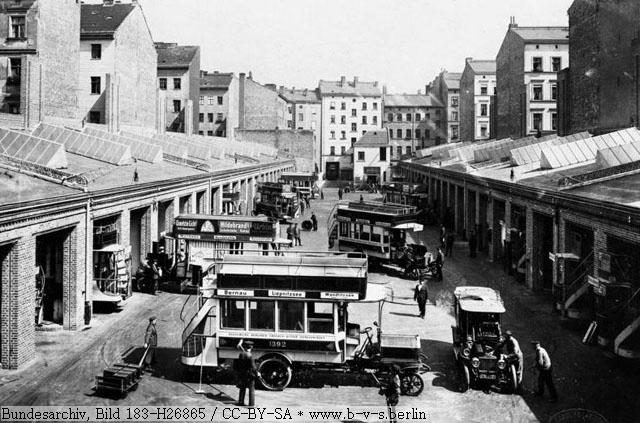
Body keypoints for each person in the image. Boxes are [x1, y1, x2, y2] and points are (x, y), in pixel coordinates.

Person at [236, 340, 257, 406]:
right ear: (251, 347)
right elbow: (253, 367)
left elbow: (239, 365)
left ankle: (241, 402)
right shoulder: (250, 356)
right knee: (251, 389)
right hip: (250, 375)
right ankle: (251, 404)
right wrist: (257, 373)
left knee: (242, 388)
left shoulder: (241, 354)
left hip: (243, 374)